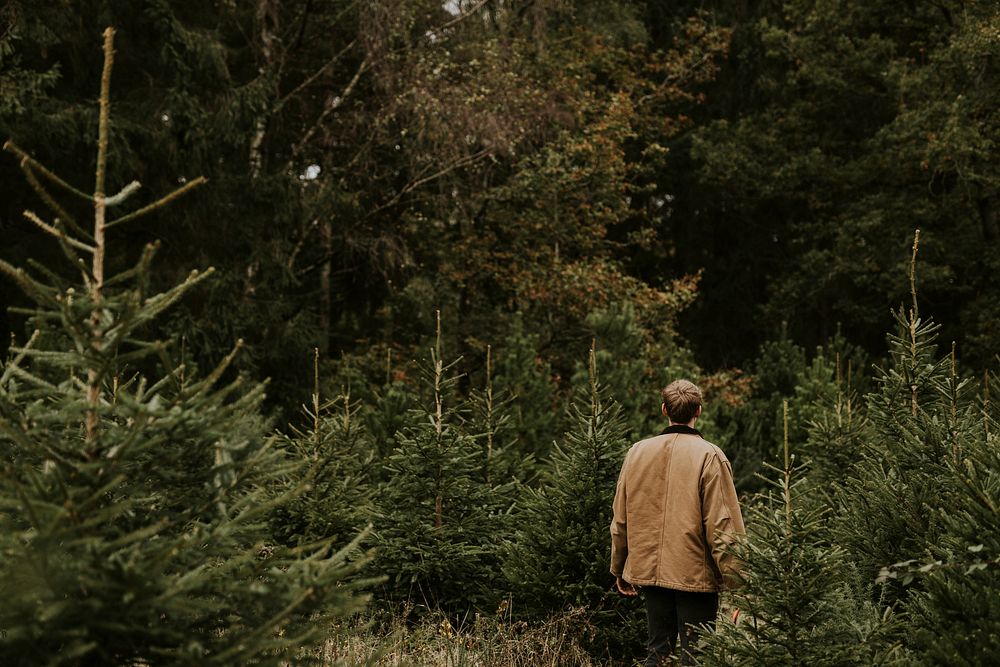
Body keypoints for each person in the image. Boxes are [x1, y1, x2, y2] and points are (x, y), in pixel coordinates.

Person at [610, 379, 744, 666]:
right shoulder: (710, 456)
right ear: (698, 410)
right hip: (694, 575)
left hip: (649, 570)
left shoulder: (637, 453)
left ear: (663, 410)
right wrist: (737, 581)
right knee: (696, 655)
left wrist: (619, 567)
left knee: (657, 651)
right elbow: (722, 526)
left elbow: (620, 517)